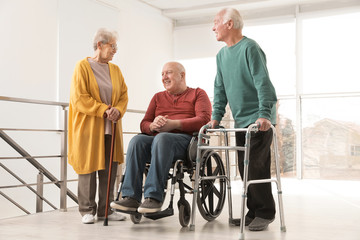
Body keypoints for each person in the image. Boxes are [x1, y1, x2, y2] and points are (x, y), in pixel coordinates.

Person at [110, 61, 211, 213]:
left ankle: (153, 197)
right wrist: (152, 126)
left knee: (162, 138)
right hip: (159, 141)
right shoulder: (157, 97)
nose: (164, 77)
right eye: (162, 74)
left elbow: (203, 120)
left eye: (168, 73)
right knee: (137, 140)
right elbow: (144, 123)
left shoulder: (198, 94)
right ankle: (131, 197)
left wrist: (174, 124)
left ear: (182, 75)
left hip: (186, 143)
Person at [209, 8, 278, 231]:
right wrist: (216, 117)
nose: (213, 27)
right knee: (243, 167)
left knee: (257, 166)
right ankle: (253, 212)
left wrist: (264, 115)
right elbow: (219, 88)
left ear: (229, 24)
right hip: (241, 121)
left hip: (259, 118)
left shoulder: (250, 48)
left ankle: (265, 213)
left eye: (216, 22)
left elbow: (263, 83)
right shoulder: (221, 55)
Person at [68, 28, 128, 224]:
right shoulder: (82, 66)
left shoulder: (116, 70)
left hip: (111, 126)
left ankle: (106, 210)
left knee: (109, 169)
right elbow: (79, 98)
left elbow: (123, 96)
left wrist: (117, 110)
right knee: (87, 168)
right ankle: (87, 210)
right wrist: (104, 109)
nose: (115, 50)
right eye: (113, 46)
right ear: (100, 45)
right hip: (88, 127)